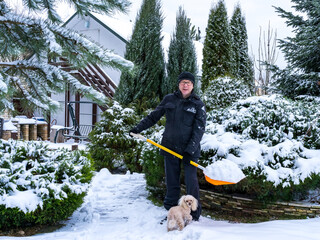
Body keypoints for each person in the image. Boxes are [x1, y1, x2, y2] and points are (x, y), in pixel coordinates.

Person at [129, 71, 206, 221]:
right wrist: (138, 128)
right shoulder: (169, 99)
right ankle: (171, 211)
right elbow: (154, 116)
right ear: (178, 84)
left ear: (192, 85)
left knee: (191, 183)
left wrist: (189, 150)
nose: (185, 85)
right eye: (183, 82)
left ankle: (194, 214)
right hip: (169, 147)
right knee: (172, 182)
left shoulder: (197, 104)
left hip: (189, 150)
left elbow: (199, 129)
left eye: (188, 83)